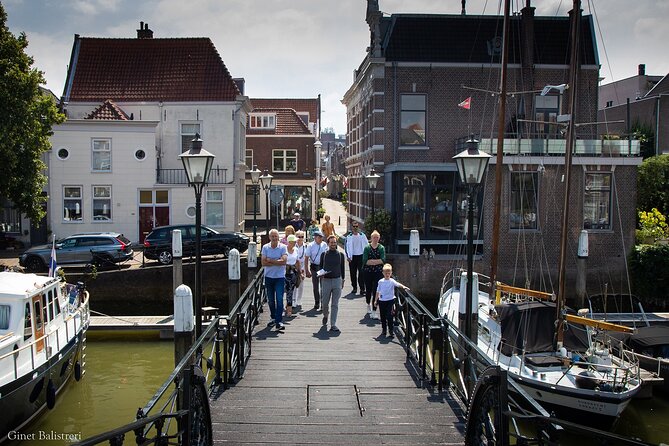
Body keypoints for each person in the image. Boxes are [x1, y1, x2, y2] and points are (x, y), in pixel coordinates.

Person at [261, 229, 288, 331]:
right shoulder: (265, 247)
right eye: (272, 236)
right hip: (268, 277)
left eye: (276, 236)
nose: (274, 238)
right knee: (271, 300)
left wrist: (270, 260)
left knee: (280, 299)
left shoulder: (283, 247)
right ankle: (273, 317)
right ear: (269, 237)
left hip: (279, 277)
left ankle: (279, 321)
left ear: (278, 237)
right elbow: (263, 263)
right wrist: (277, 261)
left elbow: (284, 262)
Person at [374, 263, 409, 338]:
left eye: (389, 273)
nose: (387, 275)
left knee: (389, 316)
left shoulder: (392, 281)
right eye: (386, 273)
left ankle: (391, 330)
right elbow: (378, 291)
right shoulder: (380, 281)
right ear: (383, 273)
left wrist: (404, 287)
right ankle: (384, 330)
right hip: (382, 300)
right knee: (383, 316)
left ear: (391, 273)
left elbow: (397, 284)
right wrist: (375, 300)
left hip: (390, 300)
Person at [319, 235, 345, 332]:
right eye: (331, 242)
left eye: (334, 242)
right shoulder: (324, 254)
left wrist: (343, 280)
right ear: (328, 243)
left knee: (335, 304)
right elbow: (320, 268)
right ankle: (325, 314)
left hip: (337, 280)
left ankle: (333, 324)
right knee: (325, 303)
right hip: (326, 281)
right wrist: (321, 274)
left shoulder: (340, 255)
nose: (333, 244)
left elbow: (342, 269)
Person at [362, 230, 385, 320]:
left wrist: (371, 262)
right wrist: (377, 262)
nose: (375, 239)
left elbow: (383, 259)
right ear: (371, 238)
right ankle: (368, 304)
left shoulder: (381, 248)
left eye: (377, 237)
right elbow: (365, 261)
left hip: (378, 272)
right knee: (368, 289)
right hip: (368, 272)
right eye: (374, 237)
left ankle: (374, 310)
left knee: (376, 290)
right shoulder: (367, 248)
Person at [304, 231, 327, 310]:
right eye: (319, 237)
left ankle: (323, 303)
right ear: (315, 237)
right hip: (314, 267)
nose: (321, 239)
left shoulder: (324, 245)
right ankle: (317, 302)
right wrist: (307, 270)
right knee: (315, 286)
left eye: (321, 237)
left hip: (322, 268)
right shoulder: (310, 245)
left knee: (323, 286)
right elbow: (306, 258)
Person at [345, 221, 368, 295]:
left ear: (358, 227)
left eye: (356, 226)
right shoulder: (349, 237)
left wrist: (367, 256)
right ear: (351, 227)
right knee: (353, 273)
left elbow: (367, 246)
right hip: (352, 257)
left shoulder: (362, 235)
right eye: (354, 226)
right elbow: (346, 247)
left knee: (361, 273)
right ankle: (354, 287)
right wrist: (348, 256)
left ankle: (362, 289)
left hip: (361, 256)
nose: (355, 228)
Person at [284, 234, 302, 317]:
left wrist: (300, 272)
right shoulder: (284, 250)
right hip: (285, 272)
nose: (295, 243)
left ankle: (288, 305)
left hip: (293, 272)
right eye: (293, 242)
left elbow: (297, 261)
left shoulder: (296, 249)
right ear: (289, 242)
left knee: (291, 289)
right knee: (289, 291)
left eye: (295, 241)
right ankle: (289, 310)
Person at [293, 230, 308, 309]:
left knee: (301, 284)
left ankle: (299, 300)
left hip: (302, 267)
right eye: (299, 237)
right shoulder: (293, 246)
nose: (300, 238)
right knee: (294, 284)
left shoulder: (306, 246)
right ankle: (293, 300)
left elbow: (306, 258)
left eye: (302, 237)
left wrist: (305, 269)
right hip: (294, 266)